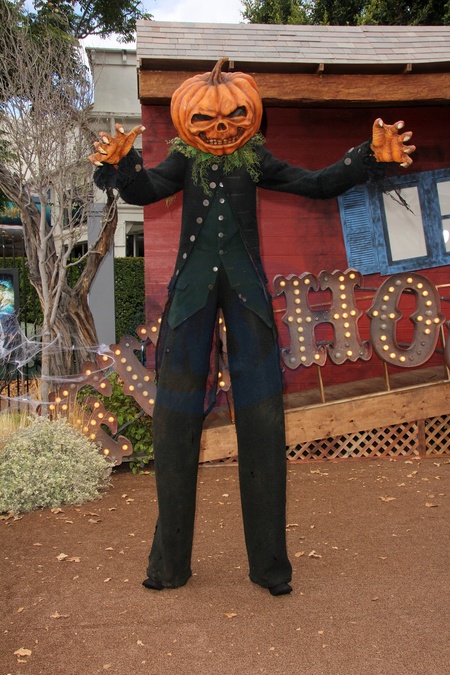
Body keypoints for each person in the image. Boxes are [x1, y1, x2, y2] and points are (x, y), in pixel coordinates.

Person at [90, 58, 414, 596]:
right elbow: (143, 190)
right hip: (190, 299)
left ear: (250, 115)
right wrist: (122, 165)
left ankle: (269, 568)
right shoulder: (184, 158)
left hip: (249, 298)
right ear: (187, 120)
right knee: (174, 424)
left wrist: (366, 156)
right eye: (206, 119)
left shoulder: (255, 158)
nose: (220, 127)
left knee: (263, 423)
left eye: (233, 116)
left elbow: (315, 183)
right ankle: (169, 566)